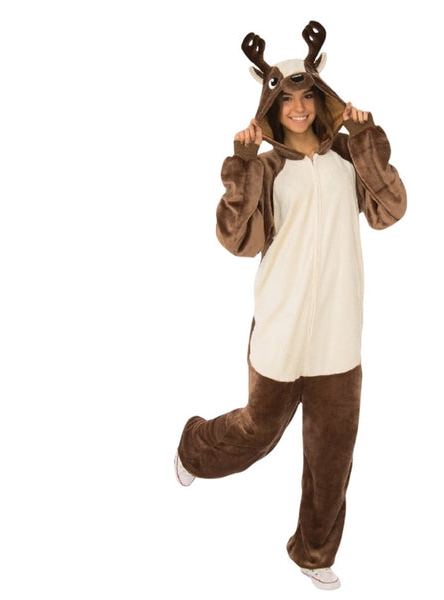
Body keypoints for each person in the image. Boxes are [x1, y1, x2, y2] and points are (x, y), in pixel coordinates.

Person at [175, 21, 407, 591]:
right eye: (286, 100)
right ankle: (194, 448)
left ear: (321, 98)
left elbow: (390, 211)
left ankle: (313, 552)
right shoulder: (266, 167)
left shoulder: (348, 157)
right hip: (279, 331)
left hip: (338, 335)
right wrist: (241, 165)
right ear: (271, 106)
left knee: (333, 456)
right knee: (257, 433)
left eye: (307, 97)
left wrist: (366, 138)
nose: (299, 108)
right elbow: (238, 241)